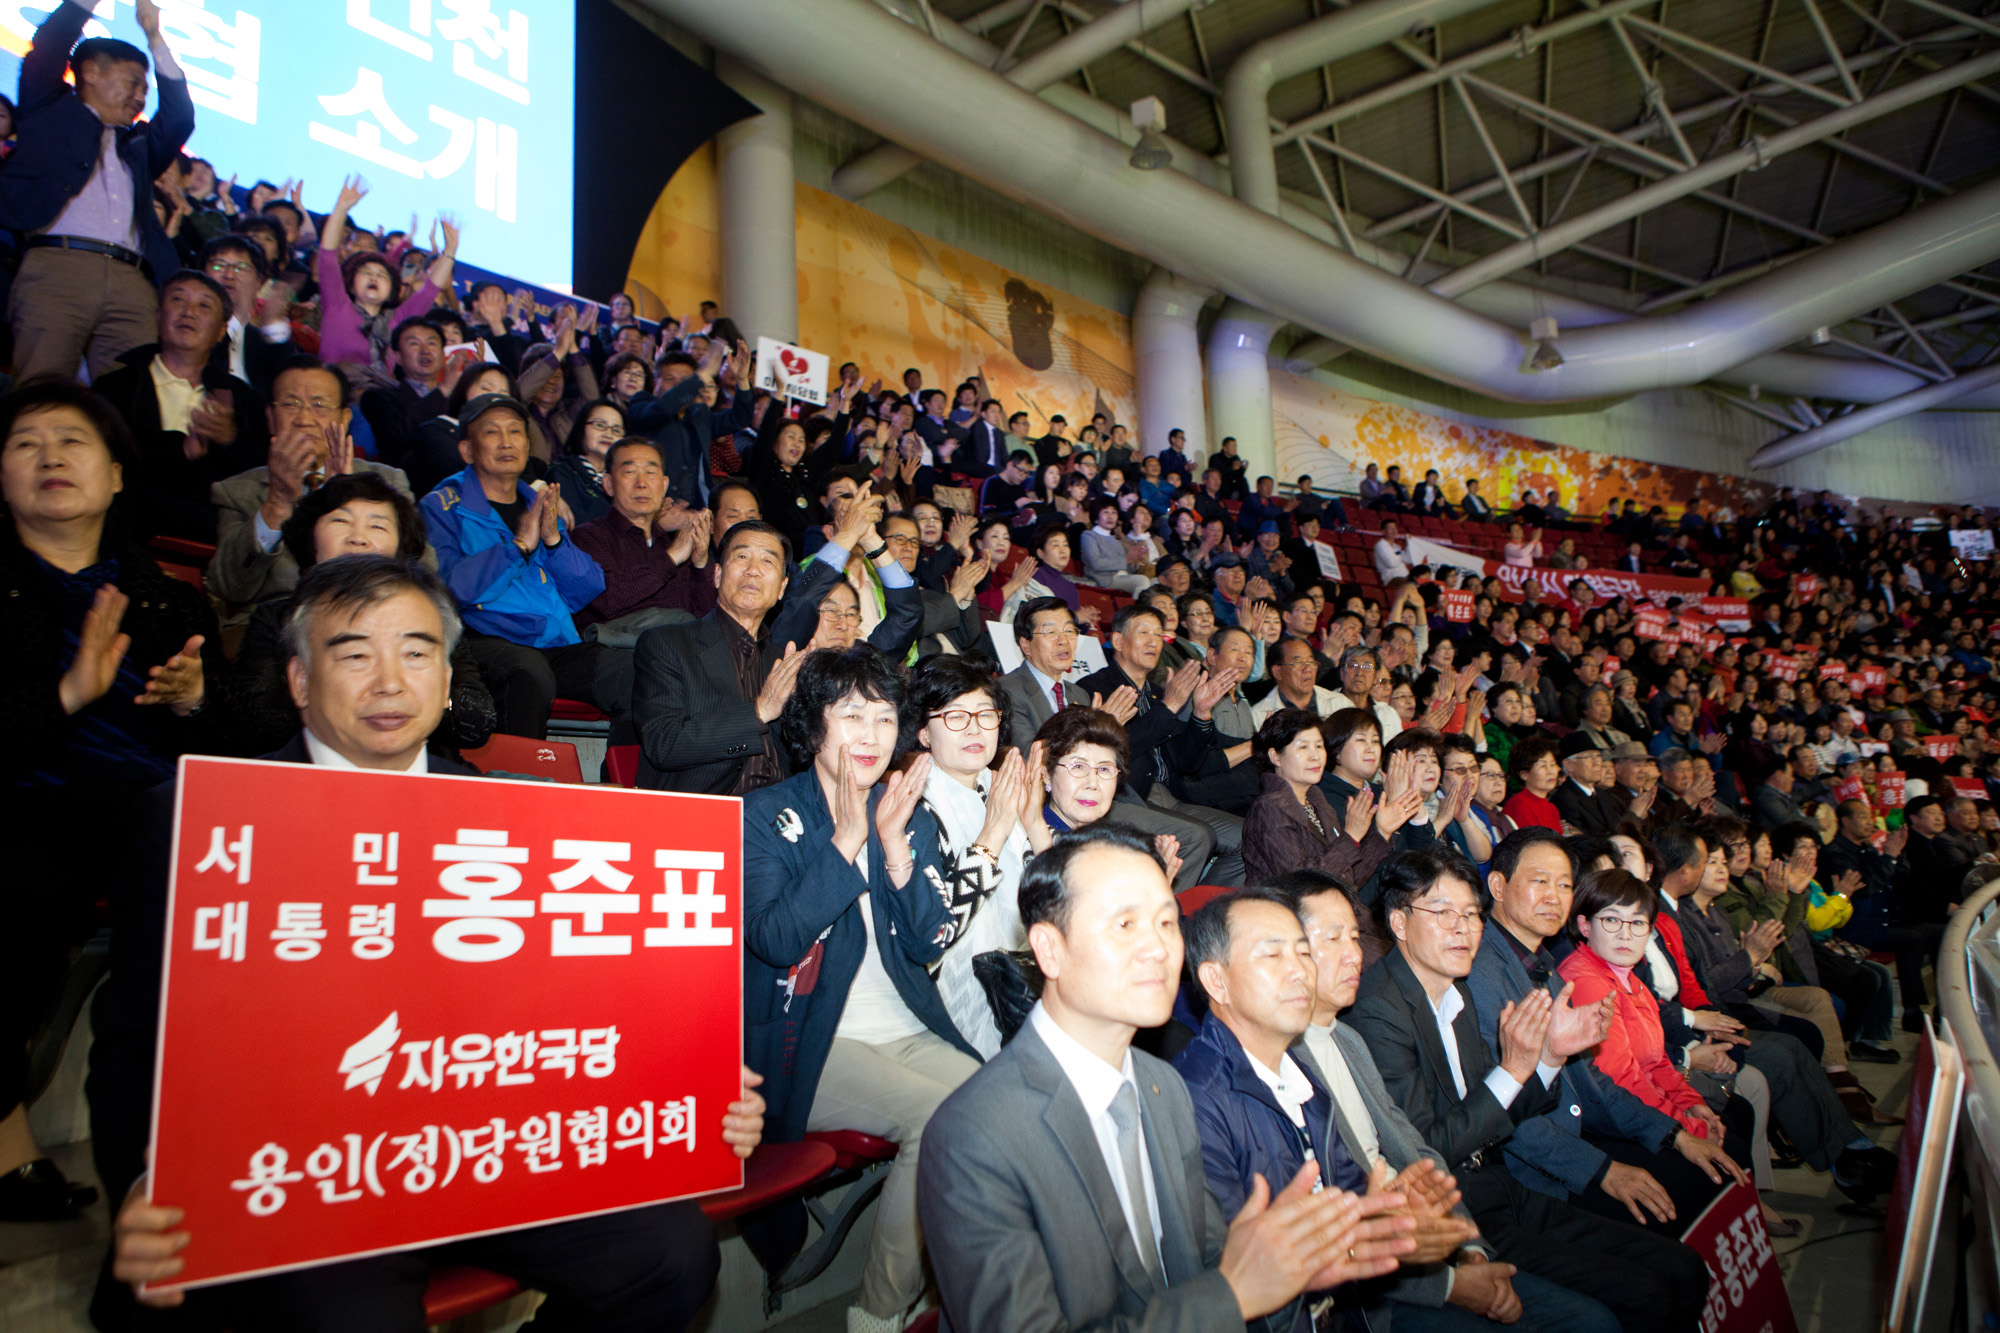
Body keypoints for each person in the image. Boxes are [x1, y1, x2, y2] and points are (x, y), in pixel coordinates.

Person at [95, 557, 765, 1331]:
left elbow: (585, 1011)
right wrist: (147, 1177)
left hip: (488, 1145)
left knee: (672, 1255)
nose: (389, 681)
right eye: (353, 654)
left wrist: (692, 1097)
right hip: (314, 1175)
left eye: (416, 653)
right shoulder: (205, 822)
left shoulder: (519, 820)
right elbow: (132, 1039)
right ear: (299, 681)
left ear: (447, 681)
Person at [918, 825, 1417, 1331]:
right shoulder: (974, 1134)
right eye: (1124, 925)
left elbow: (1204, 1257)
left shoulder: (1162, 1086)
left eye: (1165, 922)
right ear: (1049, 949)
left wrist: (1316, 1253)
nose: (1158, 947)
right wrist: (1234, 1294)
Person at [1186, 883, 1629, 1332]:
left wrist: (1464, 1246)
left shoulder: (1337, 1045)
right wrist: (1445, 1279)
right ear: (1216, 980)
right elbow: (1243, 1278)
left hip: (1426, 1238)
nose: (1301, 970)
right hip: (1369, 1296)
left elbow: (1414, 1157)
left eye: (1306, 951)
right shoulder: (1210, 1094)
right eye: (1274, 955)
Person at [1, 378, 226, 1221]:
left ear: (117, 475)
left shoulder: (167, 596)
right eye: (27, 441)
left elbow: (228, 744)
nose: (52, 455)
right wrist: (66, 695)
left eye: (73, 439)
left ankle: (168, 1169)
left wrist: (196, 697)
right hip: (29, 804)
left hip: (152, 813)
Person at [1347, 850, 1711, 1333]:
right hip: (1455, 1209)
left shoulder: (1457, 992)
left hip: (1499, 1185)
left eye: (1470, 914)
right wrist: (1517, 1069)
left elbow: (1501, 1111)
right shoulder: (1379, 1011)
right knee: (1632, 1300)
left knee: (1684, 1268)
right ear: (1398, 921)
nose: (1463, 928)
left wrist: (1549, 1059)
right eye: (1442, 912)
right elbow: (1427, 1150)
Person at [743, 646, 981, 1333]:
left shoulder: (904, 807)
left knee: (1005, 1102)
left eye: (884, 717)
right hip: (811, 1042)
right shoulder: (764, 814)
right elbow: (776, 939)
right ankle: (877, 1315)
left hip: (905, 1028)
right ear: (812, 724)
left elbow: (931, 939)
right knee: (941, 1117)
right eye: (852, 715)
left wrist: (897, 852)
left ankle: (960, 1292)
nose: (872, 735)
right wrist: (845, 843)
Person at [1464, 830, 1748, 1237]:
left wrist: (1673, 1135)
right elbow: (1504, 1114)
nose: (1554, 895)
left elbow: (1592, 1080)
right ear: (1498, 885)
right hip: (1530, 1170)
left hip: (1578, 1130)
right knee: (1685, 1206)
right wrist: (1602, 1170)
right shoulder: (1482, 972)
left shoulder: (1541, 965)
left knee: (1707, 1166)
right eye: (1540, 881)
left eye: (1564, 885)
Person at [227, 472, 494, 756]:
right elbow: (256, 727)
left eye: (377, 526)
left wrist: (429, 694)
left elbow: (476, 725)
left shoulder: (428, 617)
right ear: (311, 538)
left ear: (400, 546)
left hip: (423, 777)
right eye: (341, 521)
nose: (358, 538)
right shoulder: (278, 618)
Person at [419, 393, 633, 743]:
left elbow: (585, 590)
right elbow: (445, 590)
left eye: (516, 432)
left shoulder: (539, 502)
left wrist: (553, 540)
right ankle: (519, 785)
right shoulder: (442, 506)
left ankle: (626, 792)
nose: (507, 442)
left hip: (550, 642)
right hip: (480, 643)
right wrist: (516, 548)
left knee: (632, 673)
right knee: (528, 674)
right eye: (492, 432)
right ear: (467, 451)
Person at [2, 0, 193, 382]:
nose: (141, 96)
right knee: (41, 388)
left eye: (146, 87)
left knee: (129, 404)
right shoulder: (49, 111)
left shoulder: (138, 144)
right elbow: (52, 44)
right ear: (90, 72)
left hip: (133, 280)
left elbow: (179, 119)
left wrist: (155, 37)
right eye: (133, 82)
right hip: (58, 268)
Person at [629, 517, 843, 794]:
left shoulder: (784, 660)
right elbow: (664, 744)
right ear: (717, 575)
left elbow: (802, 756)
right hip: (701, 809)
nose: (753, 570)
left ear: (781, 588)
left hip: (779, 813)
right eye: (742, 556)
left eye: (768, 562)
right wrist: (760, 711)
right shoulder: (667, 644)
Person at [207, 356, 417, 618]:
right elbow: (228, 587)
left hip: (372, 618)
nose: (304, 418)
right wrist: (277, 503)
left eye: (319, 405)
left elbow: (422, 570)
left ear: (344, 418)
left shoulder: (389, 481)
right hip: (278, 629)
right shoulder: (238, 491)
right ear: (270, 417)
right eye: (291, 404)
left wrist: (348, 496)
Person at [1076, 601, 1245, 886]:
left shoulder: (1157, 693)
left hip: (1172, 795)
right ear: (1117, 640)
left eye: (1158, 635)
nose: (1154, 642)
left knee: (1247, 838)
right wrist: (1171, 705)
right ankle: (1170, 913)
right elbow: (1113, 754)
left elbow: (1187, 762)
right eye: (1144, 633)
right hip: (1129, 797)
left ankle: (1204, 910)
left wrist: (1202, 713)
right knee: (1199, 836)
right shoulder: (1093, 688)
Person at [92, 268, 264, 540]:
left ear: (222, 330)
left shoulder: (243, 398)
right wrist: (182, 451)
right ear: (159, 317)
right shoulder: (117, 386)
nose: (189, 312)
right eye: (178, 300)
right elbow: (106, 462)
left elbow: (259, 474)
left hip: (212, 530)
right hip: (128, 524)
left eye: (204, 305)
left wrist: (231, 439)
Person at [1240, 707, 1399, 890]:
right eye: (1303, 747)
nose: (1315, 756)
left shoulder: (1317, 802)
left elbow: (1348, 881)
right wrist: (1351, 837)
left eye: (1319, 746)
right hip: (1291, 914)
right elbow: (1300, 883)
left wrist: (1382, 833)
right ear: (1275, 756)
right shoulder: (1268, 809)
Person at [570, 436, 717, 634]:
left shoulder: (670, 544)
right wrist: (671, 558)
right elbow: (606, 601)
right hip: (616, 655)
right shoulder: (587, 538)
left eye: (650, 472)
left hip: (677, 653)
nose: (642, 483)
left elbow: (704, 618)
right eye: (629, 472)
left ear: (664, 485)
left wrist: (700, 564)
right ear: (609, 483)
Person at [1501, 736, 1563, 832]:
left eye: (1552, 764)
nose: (1551, 771)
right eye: (1543, 766)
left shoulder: (1552, 808)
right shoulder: (1519, 805)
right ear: (1524, 775)